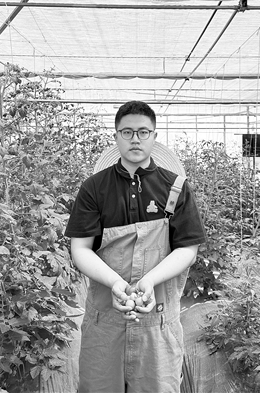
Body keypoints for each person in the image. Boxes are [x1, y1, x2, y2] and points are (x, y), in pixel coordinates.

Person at [65, 101, 205, 393]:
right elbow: (80, 249)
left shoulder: (176, 188)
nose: (135, 139)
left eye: (143, 132)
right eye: (127, 132)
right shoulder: (94, 188)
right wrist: (116, 283)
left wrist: (149, 281)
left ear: (154, 136)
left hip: (159, 318)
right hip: (105, 319)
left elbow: (187, 250)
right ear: (116, 137)